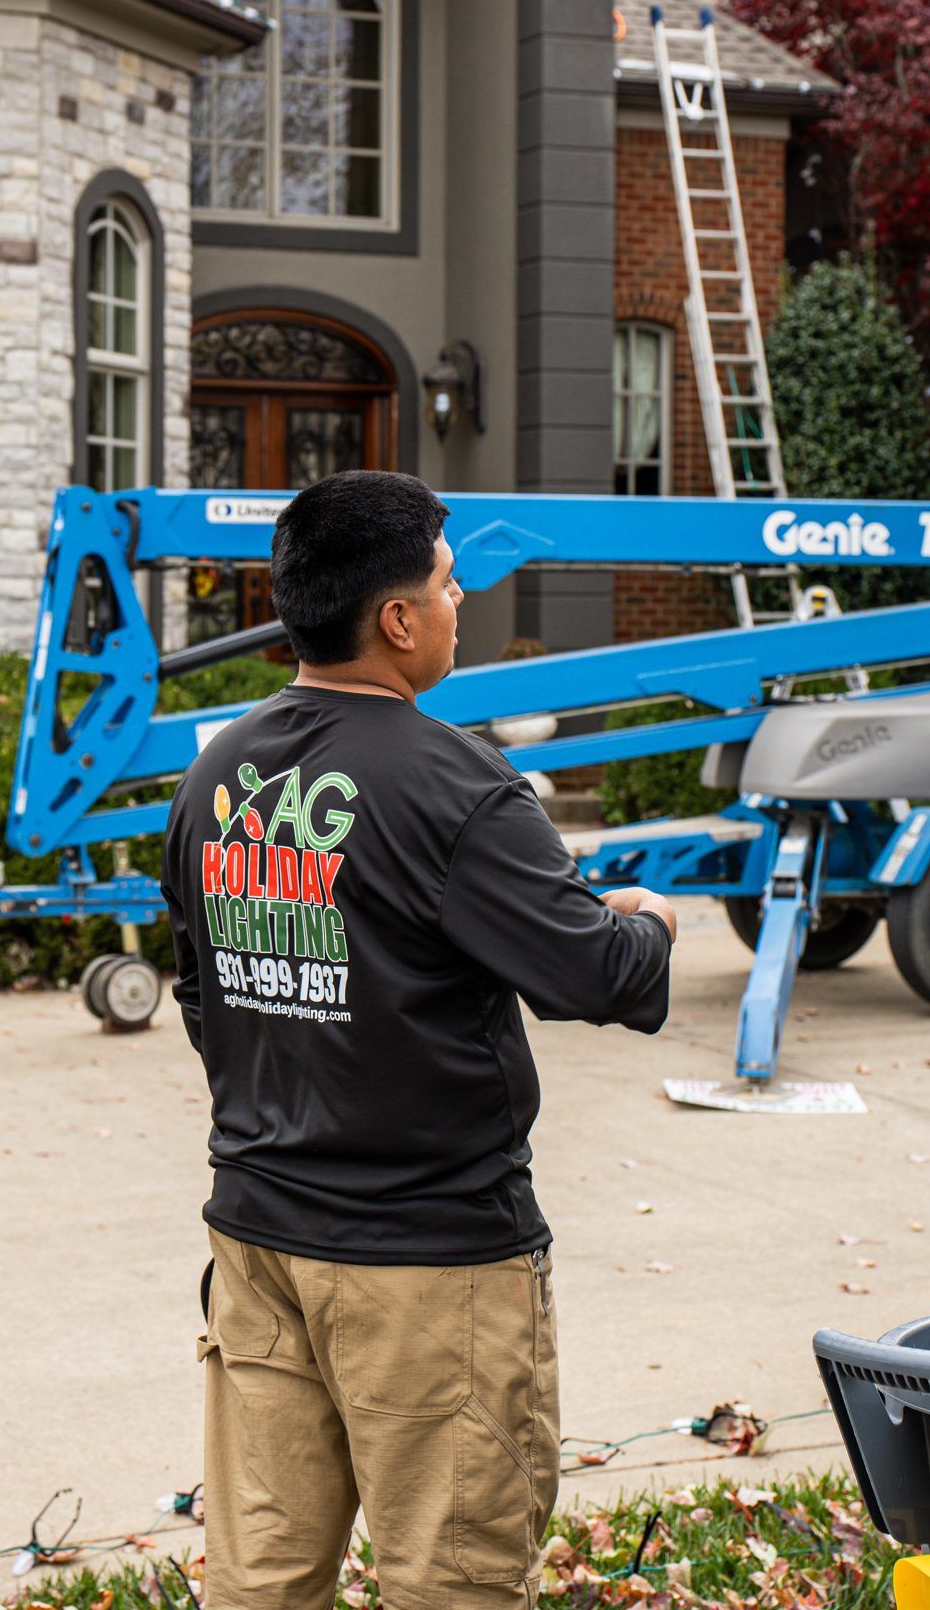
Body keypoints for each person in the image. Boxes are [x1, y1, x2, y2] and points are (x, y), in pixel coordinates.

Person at [160, 469, 677, 1610]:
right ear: (397, 620)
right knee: (455, 1580)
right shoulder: (455, 784)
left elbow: (202, 994)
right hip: (430, 1267)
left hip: (257, 1244)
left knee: (259, 1581)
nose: (458, 606)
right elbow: (599, 978)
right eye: (448, 585)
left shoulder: (216, 776)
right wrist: (651, 921)